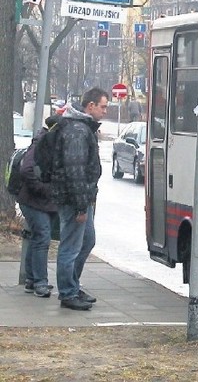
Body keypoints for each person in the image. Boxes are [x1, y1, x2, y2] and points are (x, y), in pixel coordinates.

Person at [52, 87, 109, 311]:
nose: (105, 111)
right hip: (73, 199)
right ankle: (67, 292)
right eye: (103, 106)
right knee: (70, 246)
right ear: (90, 106)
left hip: (81, 197)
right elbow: (75, 171)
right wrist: (80, 207)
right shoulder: (77, 130)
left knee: (87, 241)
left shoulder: (83, 128)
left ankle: (72, 286)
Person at [16, 116, 60, 298]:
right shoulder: (41, 143)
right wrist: (45, 190)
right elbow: (26, 170)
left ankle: (31, 280)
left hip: (40, 201)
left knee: (37, 237)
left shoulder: (48, 142)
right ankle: (40, 282)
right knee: (42, 237)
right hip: (34, 201)